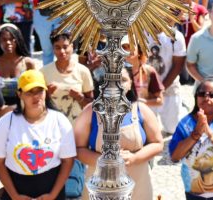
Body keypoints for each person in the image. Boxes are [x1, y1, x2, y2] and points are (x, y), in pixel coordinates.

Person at [74, 67, 163, 200]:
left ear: (131, 83)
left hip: (138, 186)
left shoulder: (141, 110)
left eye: (123, 80)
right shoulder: (90, 112)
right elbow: (78, 149)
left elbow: (158, 143)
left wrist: (134, 158)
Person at [0, 69, 76, 200]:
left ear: (46, 92)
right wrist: (14, 196)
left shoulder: (60, 120)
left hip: (51, 189)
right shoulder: (6, 122)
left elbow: (68, 161)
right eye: (29, 92)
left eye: (39, 90)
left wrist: (53, 195)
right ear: (19, 94)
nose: (36, 96)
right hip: (16, 189)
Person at [40, 33, 94, 125]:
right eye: (57, 47)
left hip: (78, 127)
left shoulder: (83, 71)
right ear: (53, 49)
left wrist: (79, 97)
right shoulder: (43, 72)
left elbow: (91, 104)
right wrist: (47, 94)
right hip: (52, 126)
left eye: (65, 47)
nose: (62, 51)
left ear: (72, 47)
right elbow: (37, 103)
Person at [147, 25, 187, 134]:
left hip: (170, 86)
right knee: (148, 130)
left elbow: (178, 65)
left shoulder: (175, 37)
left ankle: (184, 111)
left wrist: (160, 88)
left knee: (172, 128)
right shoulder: (140, 33)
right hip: (146, 89)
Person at [0, 24, 35, 105]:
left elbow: (34, 89)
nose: (8, 42)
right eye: (4, 39)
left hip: (23, 109)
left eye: (12, 39)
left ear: (18, 40)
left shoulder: (28, 63)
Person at [124, 43, 164, 107]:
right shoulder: (117, 73)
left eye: (130, 46)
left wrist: (140, 103)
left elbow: (160, 100)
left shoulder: (149, 71)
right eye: (124, 47)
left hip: (143, 114)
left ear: (139, 51)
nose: (128, 50)